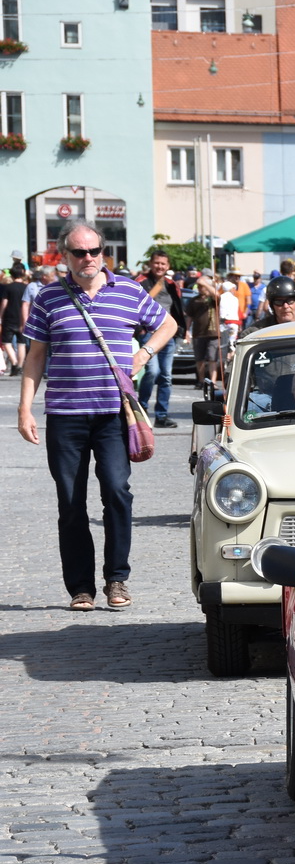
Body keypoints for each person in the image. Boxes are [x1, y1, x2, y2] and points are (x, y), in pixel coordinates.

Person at [16, 223, 177, 612]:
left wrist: (144, 354)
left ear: (103, 252)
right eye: (78, 252)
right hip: (65, 415)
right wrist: (25, 408)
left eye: (93, 250)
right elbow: (36, 356)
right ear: (64, 257)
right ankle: (81, 588)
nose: (87, 258)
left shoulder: (128, 291)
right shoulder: (48, 297)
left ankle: (117, 578)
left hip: (113, 416)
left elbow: (167, 324)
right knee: (70, 502)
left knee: (117, 492)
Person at [138, 252, 184, 428]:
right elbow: (134, 306)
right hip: (149, 333)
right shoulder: (140, 281)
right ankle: (141, 411)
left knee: (166, 376)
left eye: (163, 264)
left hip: (168, 335)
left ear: (168, 266)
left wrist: (181, 329)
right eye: (157, 263)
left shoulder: (172, 284)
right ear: (151, 263)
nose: (160, 266)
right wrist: (140, 331)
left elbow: (178, 308)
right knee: (152, 372)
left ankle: (161, 416)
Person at [185, 275, 222, 390]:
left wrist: (206, 283)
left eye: (202, 286)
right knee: (199, 359)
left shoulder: (212, 299)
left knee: (212, 359)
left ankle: (213, 382)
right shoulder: (194, 300)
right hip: (198, 333)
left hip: (213, 333)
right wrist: (187, 330)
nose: (201, 288)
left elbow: (217, 295)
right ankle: (201, 381)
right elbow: (189, 317)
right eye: (199, 286)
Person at [0, 266, 29, 376]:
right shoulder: (26, 287)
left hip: (9, 318)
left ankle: (14, 362)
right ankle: (20, 366)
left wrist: (1, 316)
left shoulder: (8, 288)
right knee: (21, 343)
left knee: (6, 342)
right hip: (22, 318)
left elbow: (4, 303)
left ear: (11, 274)